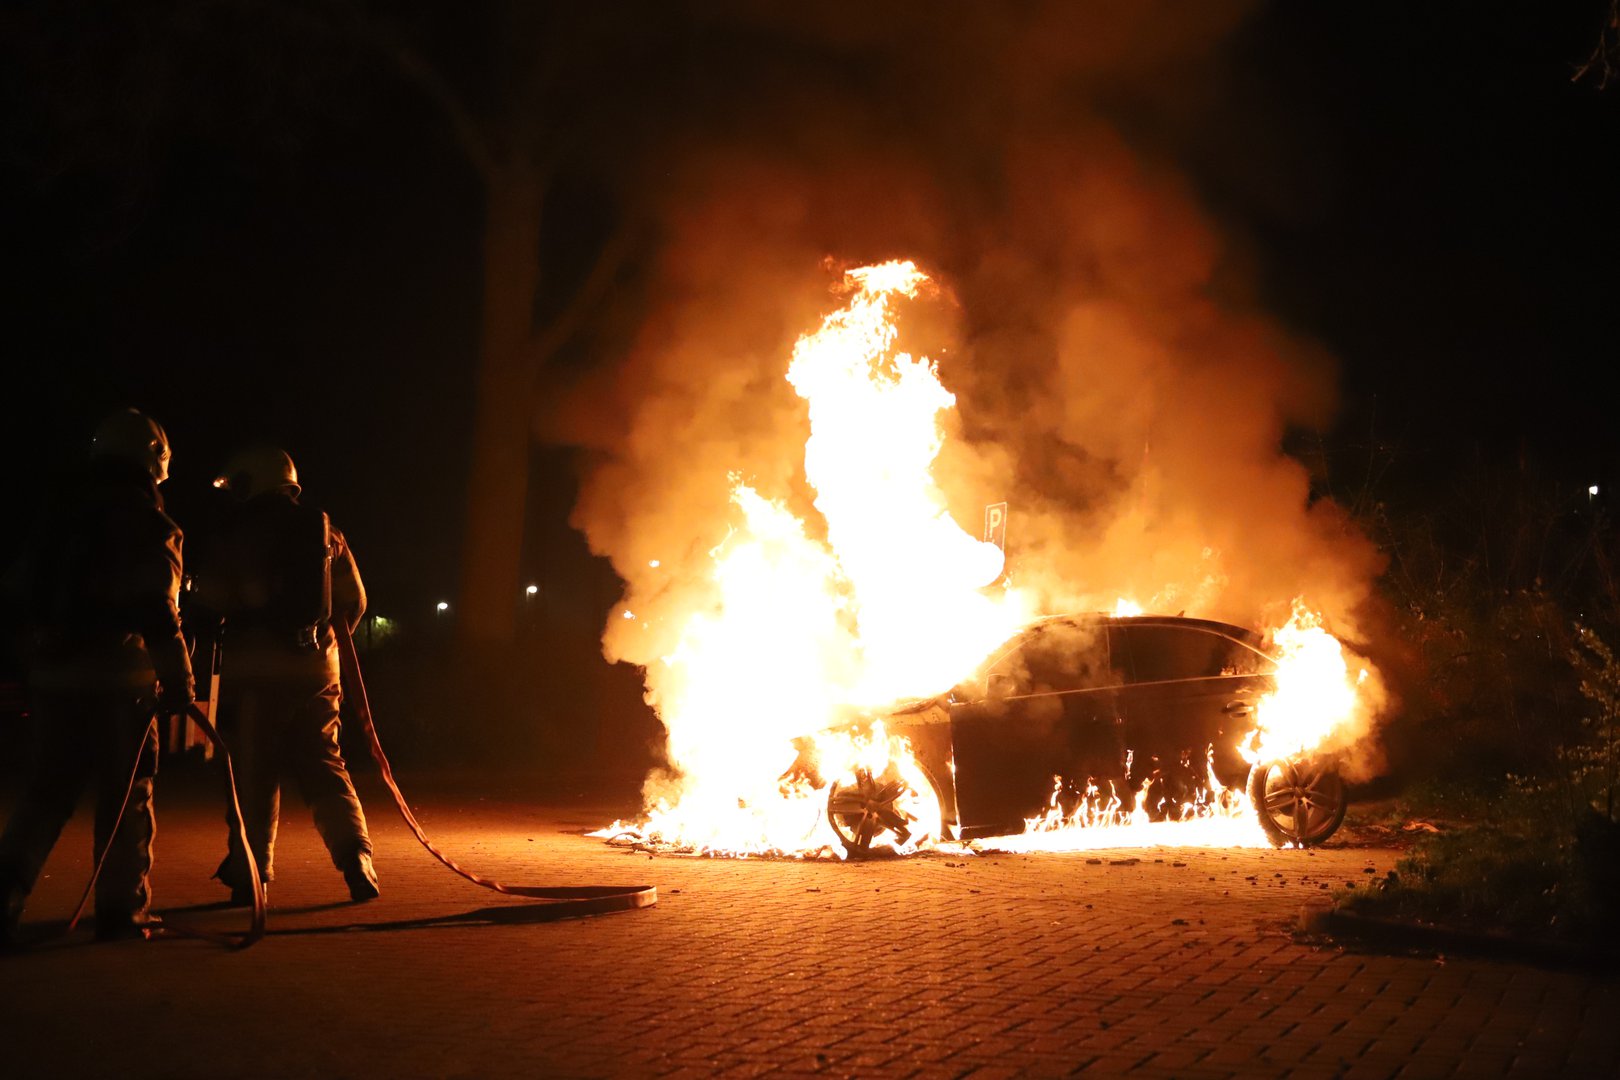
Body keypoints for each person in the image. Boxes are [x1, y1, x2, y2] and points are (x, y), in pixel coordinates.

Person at [0, 409, 195, 946]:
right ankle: (122, 914)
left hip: (54, 683)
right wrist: (180, 681)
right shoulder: (151, 524)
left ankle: (4, 900)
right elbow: (158, 609)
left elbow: (17, 593)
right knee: (127, 799)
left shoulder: (60, 518)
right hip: (121, 689)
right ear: (154, 459)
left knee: (43, 797)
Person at [193, 446, 377, 905]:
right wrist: (318, 642)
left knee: (253, 776)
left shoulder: (237, 534)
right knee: (325, 766)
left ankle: (251, 874)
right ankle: (357, 858)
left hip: (253, 674)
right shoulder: (326, 530)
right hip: (318, 672)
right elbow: (354, 602)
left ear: (247, 484)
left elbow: (208, 605)